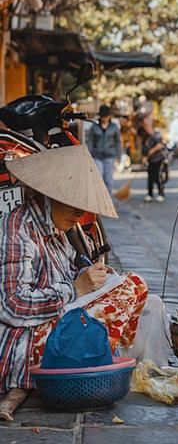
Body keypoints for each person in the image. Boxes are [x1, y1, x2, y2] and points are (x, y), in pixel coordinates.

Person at [0, 146, 147, 420]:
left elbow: (69, 274)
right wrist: (76, 288)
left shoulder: (57, 231)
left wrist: (94, 278)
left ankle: (101, 357)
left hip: (55, 326)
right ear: (49, 196)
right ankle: (93, 361)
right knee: (130, 286)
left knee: (131, 285)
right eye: (72, 202)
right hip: (27, 342)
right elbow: (12, 304)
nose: (80, 213)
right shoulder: (17, 228)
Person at [87, 105, 122, 195]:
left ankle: (108, 200)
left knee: (108, 179)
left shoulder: (114, 127)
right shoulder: (94, 127)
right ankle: (99, 199)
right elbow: (90, 142)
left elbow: (118, 142)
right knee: (99, 177)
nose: (104, 118)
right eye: (103, 116)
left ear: (109, 116)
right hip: (97, 155)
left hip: (110, 156)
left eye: (106, 116)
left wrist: (119, 156)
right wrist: (89, 155)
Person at [141, 127, 166, 202]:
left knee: (158, 176)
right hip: (150, 161)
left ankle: (161, 194)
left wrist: (148, 154)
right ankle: (150, 194)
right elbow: (144, 152)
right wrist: (143, 159)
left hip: (158, 159)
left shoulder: (155, 136)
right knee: (150, 177)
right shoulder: (144, 141)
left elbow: (159, 146)